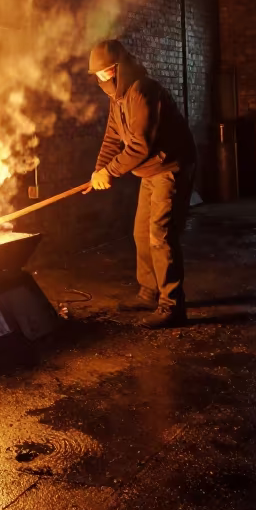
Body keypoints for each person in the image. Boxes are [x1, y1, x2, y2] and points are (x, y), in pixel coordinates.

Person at [83, 39, 196, 329]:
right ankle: (149, 291)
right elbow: (112, 138)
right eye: (98, 74)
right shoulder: (117, 98)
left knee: (160, 235)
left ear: (119, 67)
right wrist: (98, 170)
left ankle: (172, 306)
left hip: (169, 167)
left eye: (106, 72)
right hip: (148, 171)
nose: (101, 79)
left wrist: (110, 172)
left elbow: (140, 145)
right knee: (141, 232)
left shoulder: (143, 91)